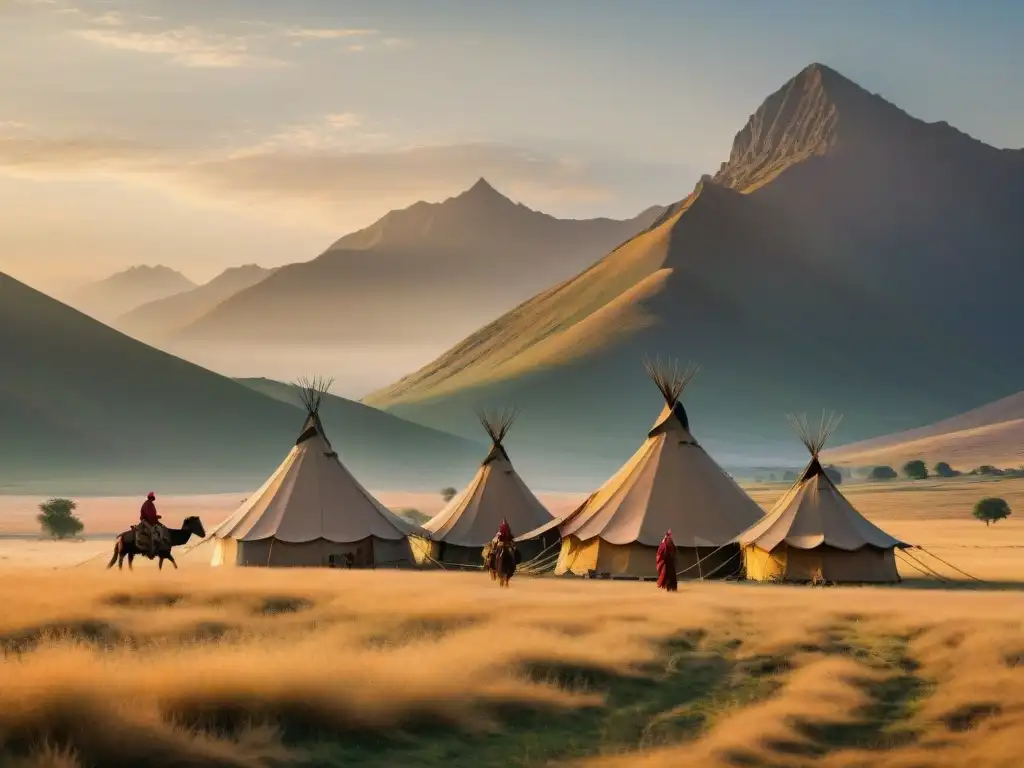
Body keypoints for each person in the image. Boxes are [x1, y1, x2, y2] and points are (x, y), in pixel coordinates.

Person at [139, 491, 162, 557]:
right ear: (151, 498)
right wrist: (156, 517)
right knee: (152, 531)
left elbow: (151, 514)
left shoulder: (149, 503)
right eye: (152, 498)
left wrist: (156, 517)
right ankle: (150, 552)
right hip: (146, 521)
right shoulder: (148, 504)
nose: (152, 499)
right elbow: (149, 515)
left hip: (148, 520)